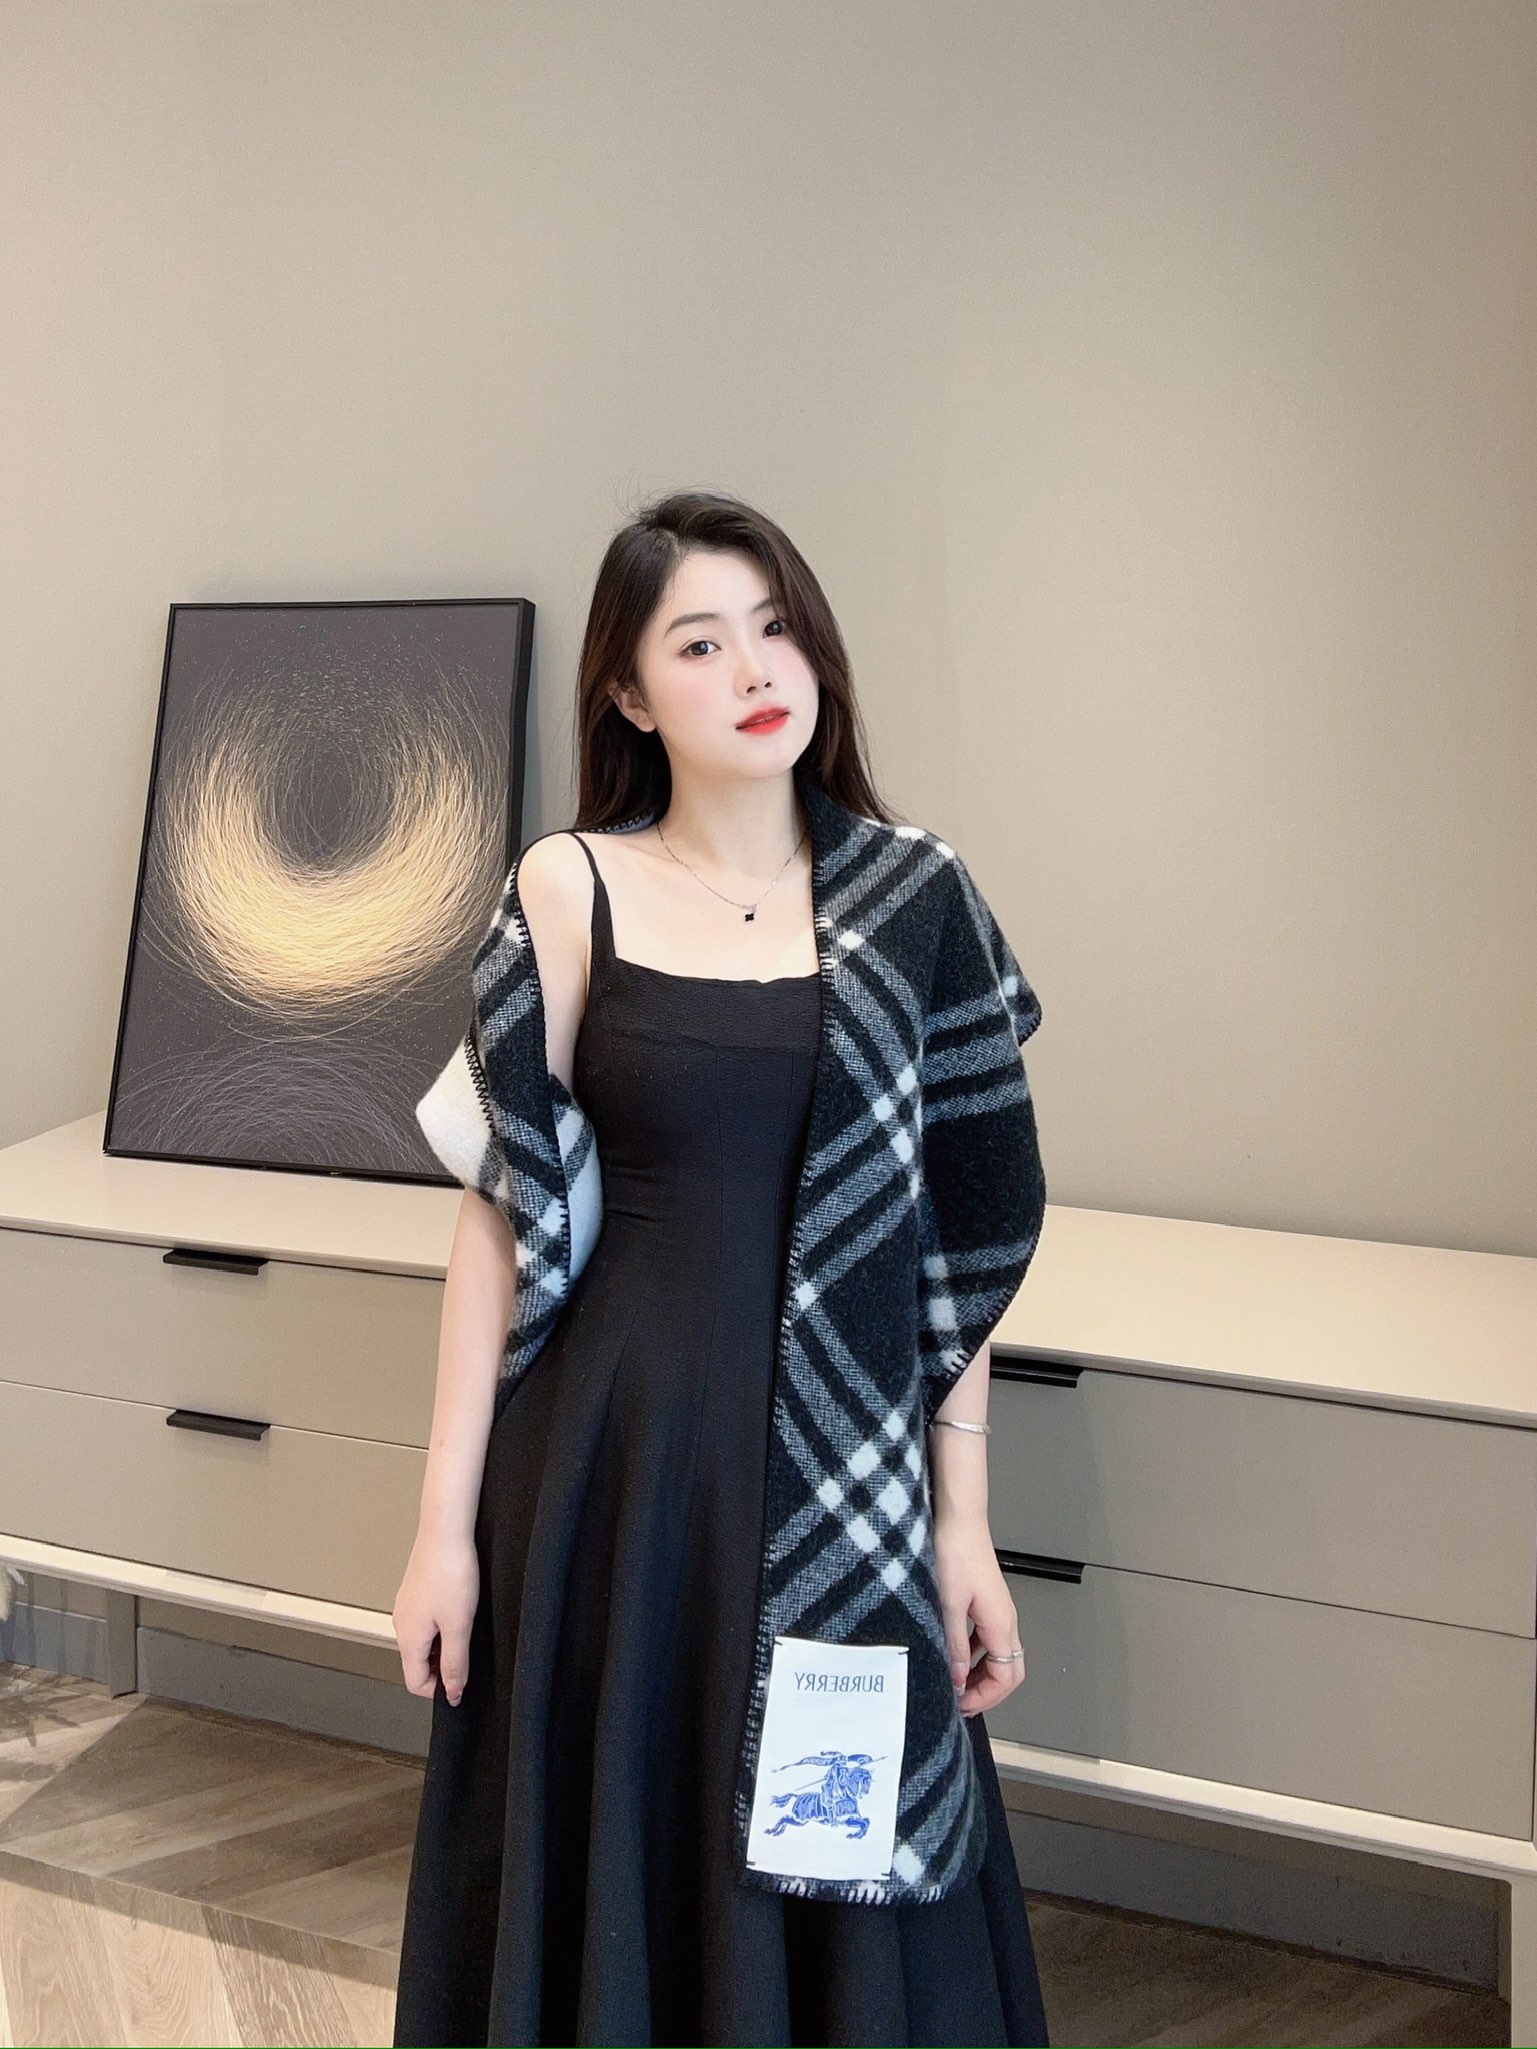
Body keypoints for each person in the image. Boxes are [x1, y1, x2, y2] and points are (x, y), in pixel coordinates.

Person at [390, 489, 1051, 2047]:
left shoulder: (916, 899)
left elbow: (955, 1233)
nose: (755, 668)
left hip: (840, 1477)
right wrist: (440, 1530)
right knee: (617, 1844)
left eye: (776, 627)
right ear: (627, 692)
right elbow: (495, 1218)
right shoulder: (567, 884)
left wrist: (962, 1521)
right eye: (698, 642)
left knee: (839, 1850)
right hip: (606, 1479)